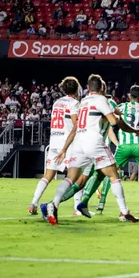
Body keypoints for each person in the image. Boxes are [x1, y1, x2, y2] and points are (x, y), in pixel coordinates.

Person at [44, 74, 139, 225]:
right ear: (102, 88)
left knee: (71, 178)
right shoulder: (101, 100)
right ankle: (124, 211)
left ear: (88, 88)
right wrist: (128, 126)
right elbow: (114, 122)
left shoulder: (82, 102)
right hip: (93, 140)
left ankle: (54, 204)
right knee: (114, 175)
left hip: (78, 142)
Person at [78, 85, 139, 216]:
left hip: (124, 146)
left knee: (108, 174)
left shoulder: (122, 107)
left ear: (129, 96)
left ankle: (96, 203)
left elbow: (107, 117)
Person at [28, 77, 80, 215]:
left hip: (54, 140)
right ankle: (77, 208)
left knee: (48, 175)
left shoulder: (57, 102)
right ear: (76, 89)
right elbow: (76, 127)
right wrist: (65, 149)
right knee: (75, 176)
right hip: (66, 143)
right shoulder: (74, 103)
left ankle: (33, 203)